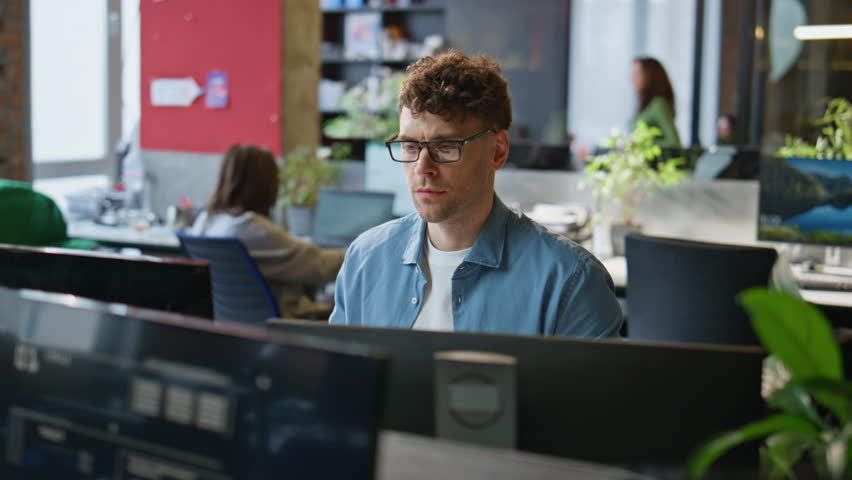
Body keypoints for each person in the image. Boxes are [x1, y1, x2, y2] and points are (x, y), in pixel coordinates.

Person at [330, 51, 622, 337]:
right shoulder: (365, 260)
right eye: (409, 147)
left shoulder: (570, 281)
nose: (422, 168)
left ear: (498, 151)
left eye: (445, 147)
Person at [189, 144, 345, 318]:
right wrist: (363, 248)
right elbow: (320, 267)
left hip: (229, 326)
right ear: (266, 183)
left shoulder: (206, 221)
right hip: (279, 328)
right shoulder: (251, 228)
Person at [632, 57, 681, 147]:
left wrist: (644, 144)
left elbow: (674, 141)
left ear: (650, 76)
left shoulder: (659, 104)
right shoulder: (646, 105)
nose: (632, 79)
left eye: (637, 74)